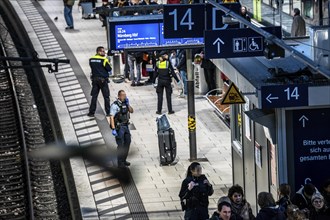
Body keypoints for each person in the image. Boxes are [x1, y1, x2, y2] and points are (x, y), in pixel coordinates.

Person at [110, 90, 134, 167]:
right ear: (119, 96)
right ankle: (120, 162)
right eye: (123, 95)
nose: (124, 97)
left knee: (127, 142)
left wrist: (128, 104)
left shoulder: (125, 103)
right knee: (121, 145)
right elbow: (111, 117)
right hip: (119, 127)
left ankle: (124, 160)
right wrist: (113, 129)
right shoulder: (115, 105)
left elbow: (131, 111)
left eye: (125, 95)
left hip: (126, 126)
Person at [87, 46, 112, 117]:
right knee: (106, 97)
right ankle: (108, 112)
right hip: (103, 81)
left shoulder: (91, 59)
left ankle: (91, 112)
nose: (104, 53)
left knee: (94, 97)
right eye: (103, 51)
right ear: (99, 52)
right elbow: (109, 69)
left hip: (95, 80)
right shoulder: (104, 60)